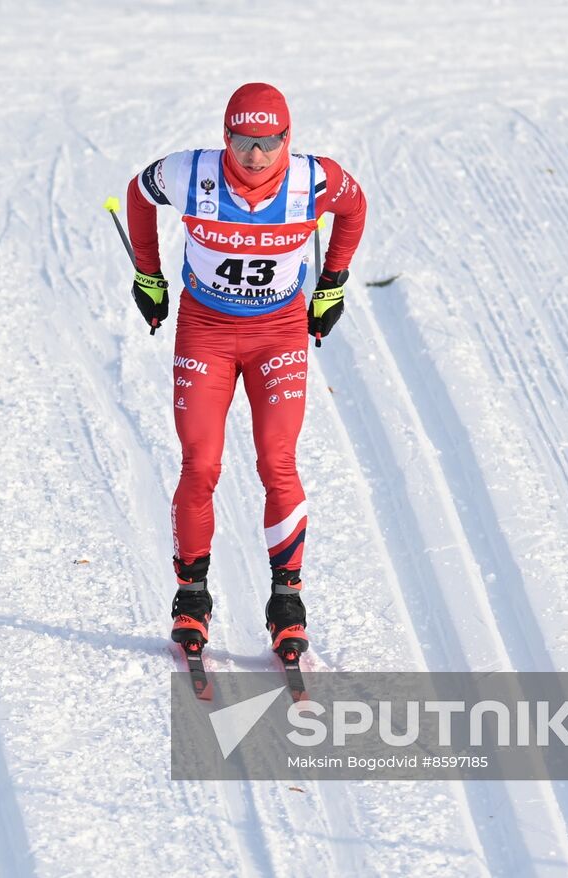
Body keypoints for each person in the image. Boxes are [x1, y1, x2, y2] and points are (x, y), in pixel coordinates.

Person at [125, 82, 367, 659]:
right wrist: (147, 274)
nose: (255, 156)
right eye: (242, 141)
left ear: (288, 138)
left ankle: (287, 603)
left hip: (276, 333)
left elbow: (354, 210)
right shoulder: (189, 174)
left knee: (276, 460)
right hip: (205, 332)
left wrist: (332, 283)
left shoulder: (317, 180)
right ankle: (192, 599)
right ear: (224, 136)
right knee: (201, 461)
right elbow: (137, 195)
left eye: (268, 142)